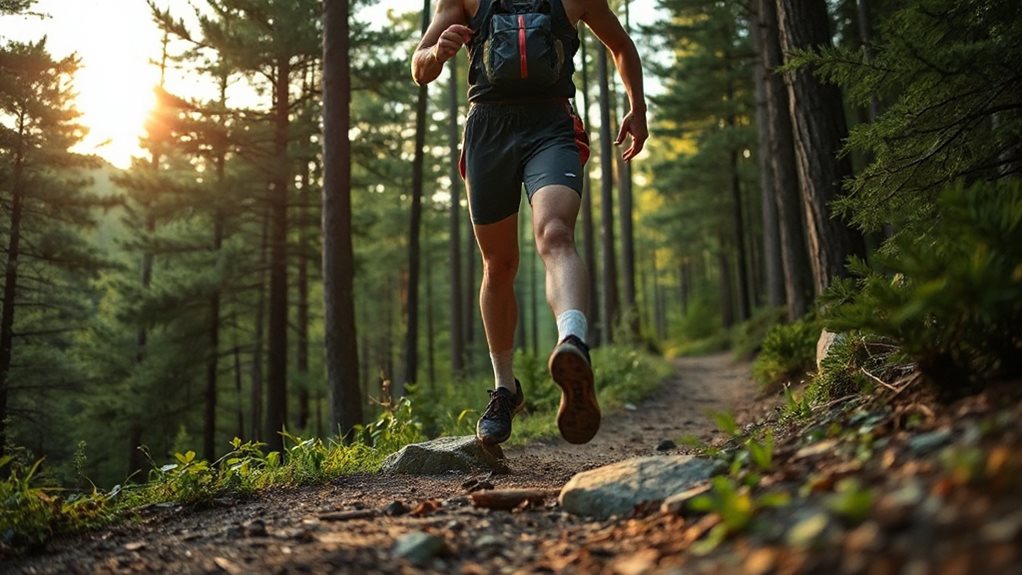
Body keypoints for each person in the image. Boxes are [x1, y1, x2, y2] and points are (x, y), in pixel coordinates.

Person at [411, 0, 647, 445]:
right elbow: (419, 68)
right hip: (488, 129)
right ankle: (505, 389)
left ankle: (572, 344)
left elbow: (620, 44)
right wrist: (437, 52)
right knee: (498, 265)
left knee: (555, 233)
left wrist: (638, 106)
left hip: (551, 124)